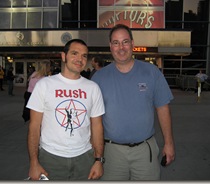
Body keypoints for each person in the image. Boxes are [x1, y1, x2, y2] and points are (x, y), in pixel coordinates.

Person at [91, 24, 175, 180]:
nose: (121, 47)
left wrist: (169, 143)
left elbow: (163, 108)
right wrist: (96, 154)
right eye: (116, 43)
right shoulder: (98, 78)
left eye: (125, 42)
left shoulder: (151, 72)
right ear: (110, 46)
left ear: (133, 44)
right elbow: (93, 119)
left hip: (145, 152)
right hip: (111, 153)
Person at [26, 39, 105, 180]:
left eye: (84, 55)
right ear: (63, 56)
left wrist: (99, 160)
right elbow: (34, 126)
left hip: (84, 158)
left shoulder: (93, 88)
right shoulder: (44, 85)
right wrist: (33, 162)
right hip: (50, 157)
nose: (79, 59)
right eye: (74, 53)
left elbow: (97, 126)